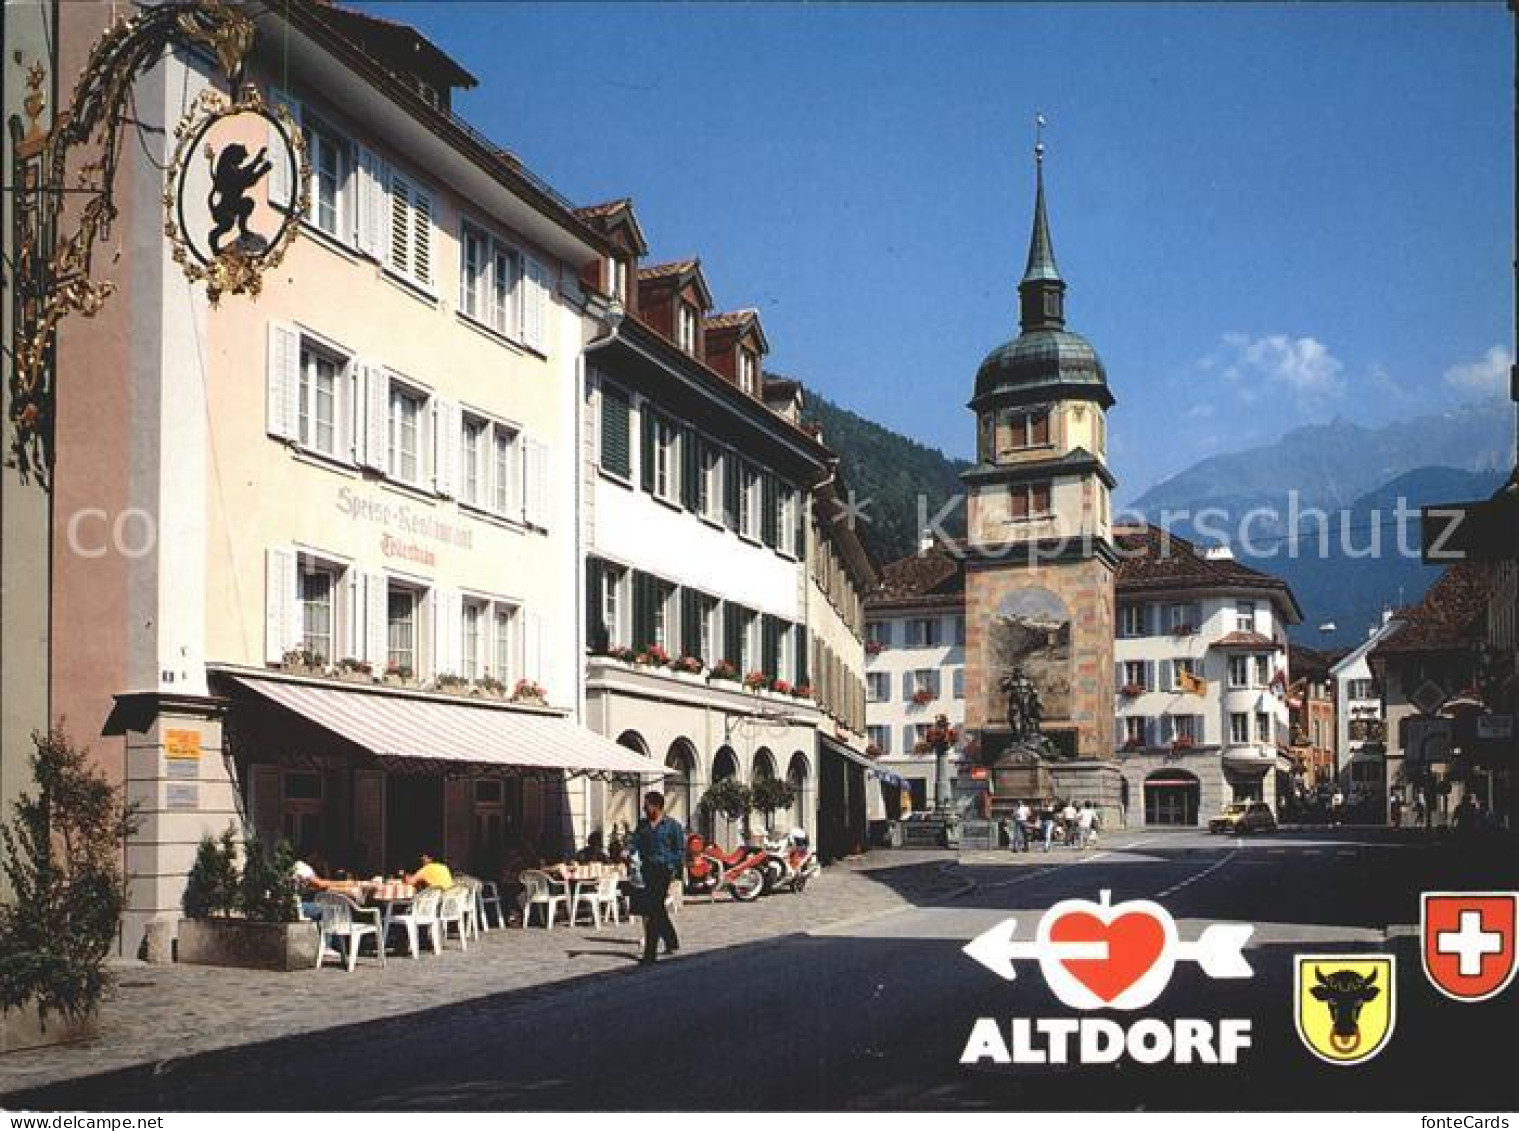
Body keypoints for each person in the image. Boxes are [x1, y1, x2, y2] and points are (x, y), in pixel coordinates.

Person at [627, 791, 683, 965]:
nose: (644, 808)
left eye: (646, 805)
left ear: (656, 806)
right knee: (657, 907)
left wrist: (672, 866)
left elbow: (679, 850)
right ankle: (671, 940)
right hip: (647, 870)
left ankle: (649, 954)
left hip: (663, 871)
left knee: (652, 909)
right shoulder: (643, 826)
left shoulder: (672, 826)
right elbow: (634, 842)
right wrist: (628, 850)